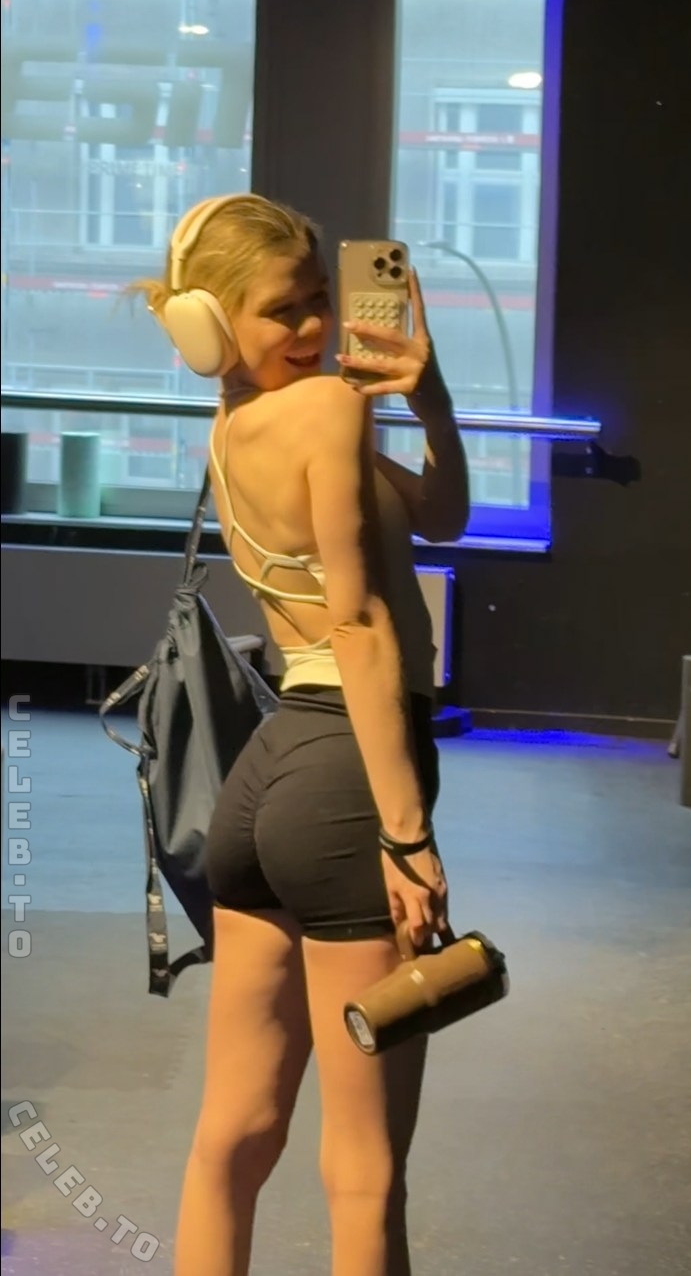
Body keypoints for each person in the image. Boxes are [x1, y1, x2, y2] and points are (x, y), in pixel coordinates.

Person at [134, 193, 469, 1276]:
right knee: (366, 1172)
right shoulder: (322, 410)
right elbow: (359, 624)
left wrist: (432, 404)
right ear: (208, 323)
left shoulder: (242, 429)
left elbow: (440, 514)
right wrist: (406, 834)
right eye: (285, 310)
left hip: (269, 782)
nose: (317, 327)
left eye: (321, 298)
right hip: (345, 782)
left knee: (232, 1137)